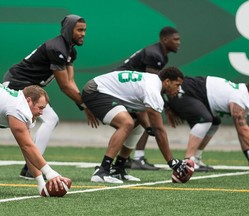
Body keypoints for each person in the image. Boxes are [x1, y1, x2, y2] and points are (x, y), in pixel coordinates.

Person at [2, 14, 98, 179]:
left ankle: (31, 167)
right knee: (50, 118)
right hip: (18, 83)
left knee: (50, 119)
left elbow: (71, 81)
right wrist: (85, 106)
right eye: (79, 30)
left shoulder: (70, 51)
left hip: (30, 87)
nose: (83, 34)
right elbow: (65, 86)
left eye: (85, 30)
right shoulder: (57, 48)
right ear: (69, 30)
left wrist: (83, 105)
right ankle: (32, 168)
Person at [82, 67, 192, 183]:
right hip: (96, 91)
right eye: (177, 85)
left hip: (104, 90)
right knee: (127, 123)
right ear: (167, 82)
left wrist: (148, 128)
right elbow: (159, 130)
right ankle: (102, 171)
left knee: (137, 124)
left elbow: (140, 111)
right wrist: (172, 162)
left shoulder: (152, 82)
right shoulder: (153, 89)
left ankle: (118, 169)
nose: (179, 89)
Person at [165, 76, 249, 171]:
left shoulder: (240, 96)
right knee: (205, 119)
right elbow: (243, 130)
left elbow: (242, 133)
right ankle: (189, 161)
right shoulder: (240, 97)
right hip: (183, 92)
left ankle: (197, 158)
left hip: (195, 94)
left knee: (214, 122)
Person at [113, 26, 181, 170]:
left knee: (140, 121)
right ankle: (136, 158)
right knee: (146, 119)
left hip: (130, 89)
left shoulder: (161, 54)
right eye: (175, 39)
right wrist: (168, 107)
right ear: (164, 39)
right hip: (122, 88)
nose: (178, 42)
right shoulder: (154, 54)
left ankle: (124, 160)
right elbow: (153, 85)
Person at [0, 84, 69, 195]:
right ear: (28, 101)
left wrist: (41, 182)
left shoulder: (20, 105)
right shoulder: (18, 109)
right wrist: (49, 172)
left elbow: (28, 149)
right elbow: (27, 147)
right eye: (40, 107)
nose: (41, 112)